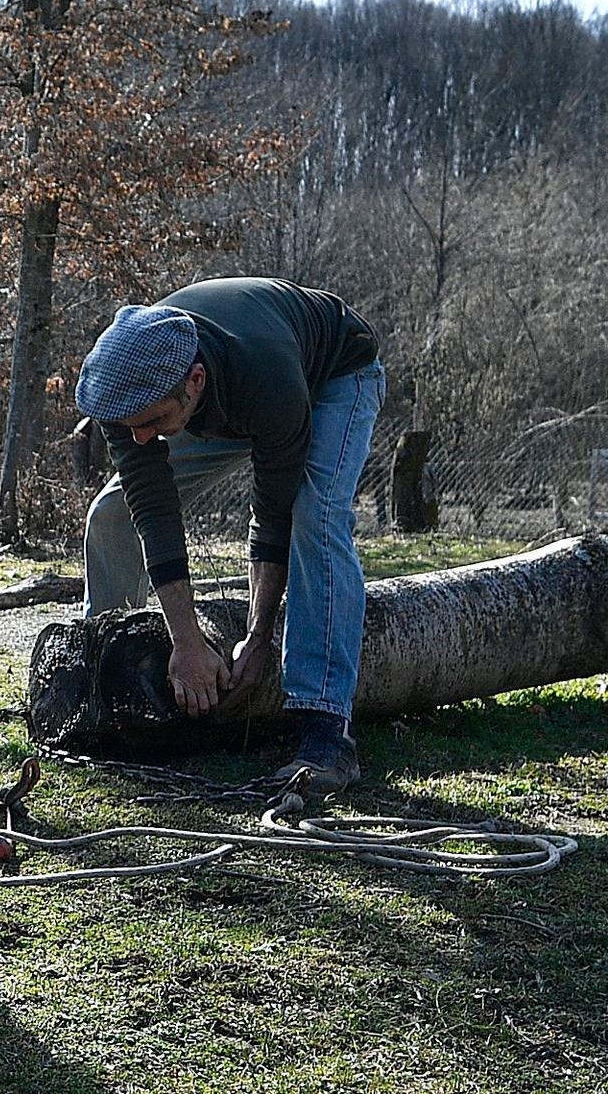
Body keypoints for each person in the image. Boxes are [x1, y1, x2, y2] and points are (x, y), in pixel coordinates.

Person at [72, 280, 387, 800]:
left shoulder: (268, 380)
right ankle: (100, 683)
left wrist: (259, 638)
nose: (142, 438)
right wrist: (187, 642)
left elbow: (273, 516)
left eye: (152, 423)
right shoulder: (125, 390)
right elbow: (153, 514)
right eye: (132, 427)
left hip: (335, 373)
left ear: (194, 381)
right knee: (111, 514)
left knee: (316, 516)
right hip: (215, 397)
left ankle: (326, 732)